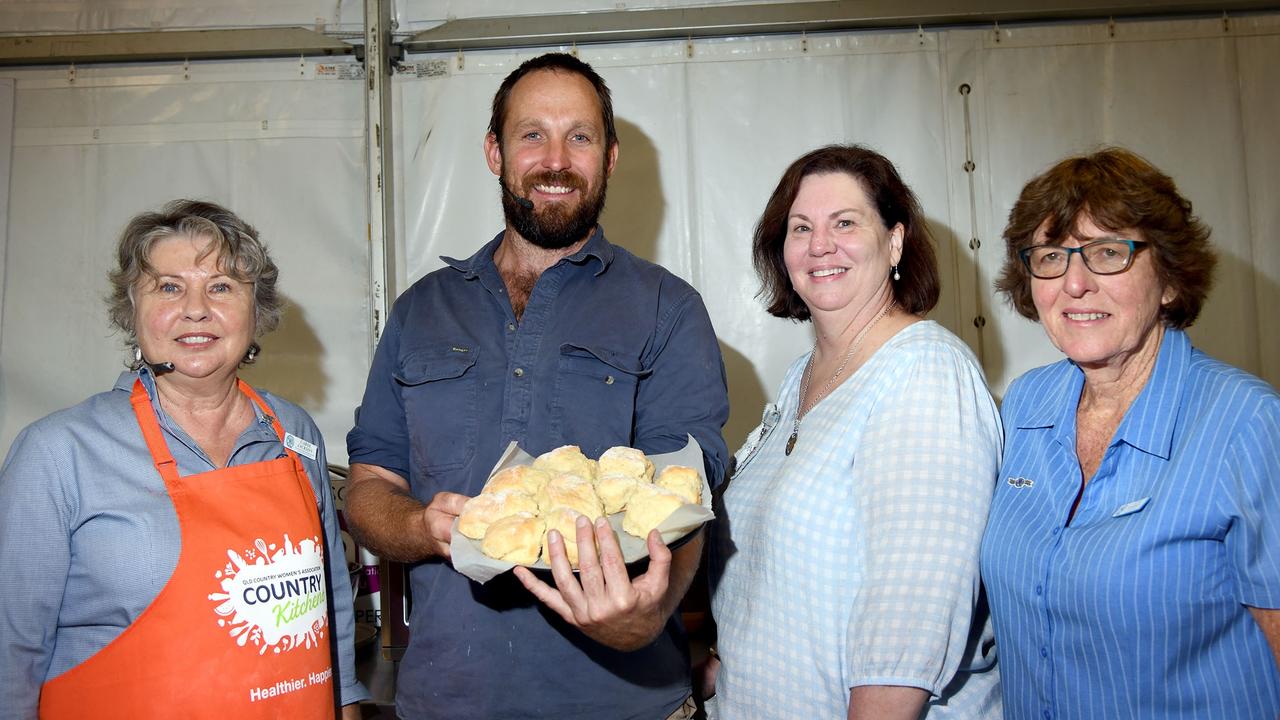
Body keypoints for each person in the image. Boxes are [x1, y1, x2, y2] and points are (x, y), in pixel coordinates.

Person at [343, 52, 730, 720]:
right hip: (445, 702)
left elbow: (685, 491)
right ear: (495, 153)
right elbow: (370, 487)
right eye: (532, 135)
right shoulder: (419, 311)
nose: (555, 160)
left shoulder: (668, 307)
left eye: (579, 136)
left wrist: (651, 612)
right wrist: (421, 527)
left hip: (623, 703)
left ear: (609, 157)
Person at [0, 200, 367, 719]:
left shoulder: (294, 432)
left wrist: (345, 703)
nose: (196, 308)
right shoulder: (58, 452)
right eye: (169, 287)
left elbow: (328, 603)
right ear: (132, 312)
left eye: (220, 287)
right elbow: (10, 653)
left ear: (255, 312)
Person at [981, 147, 1280, 718]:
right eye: (1050, 257)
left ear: (1168, 278)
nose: (1074, 284)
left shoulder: (1248, 424)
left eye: (1107, 254)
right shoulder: (1024, 404)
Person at [705, 145, 1002, 719]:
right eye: (801, 227)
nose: (820, 244)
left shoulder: (926, 374)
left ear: (894, 241)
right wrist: (724, 663)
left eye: (845, 223)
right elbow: (774, 569)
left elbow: (908, 626)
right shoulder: (800, 379)